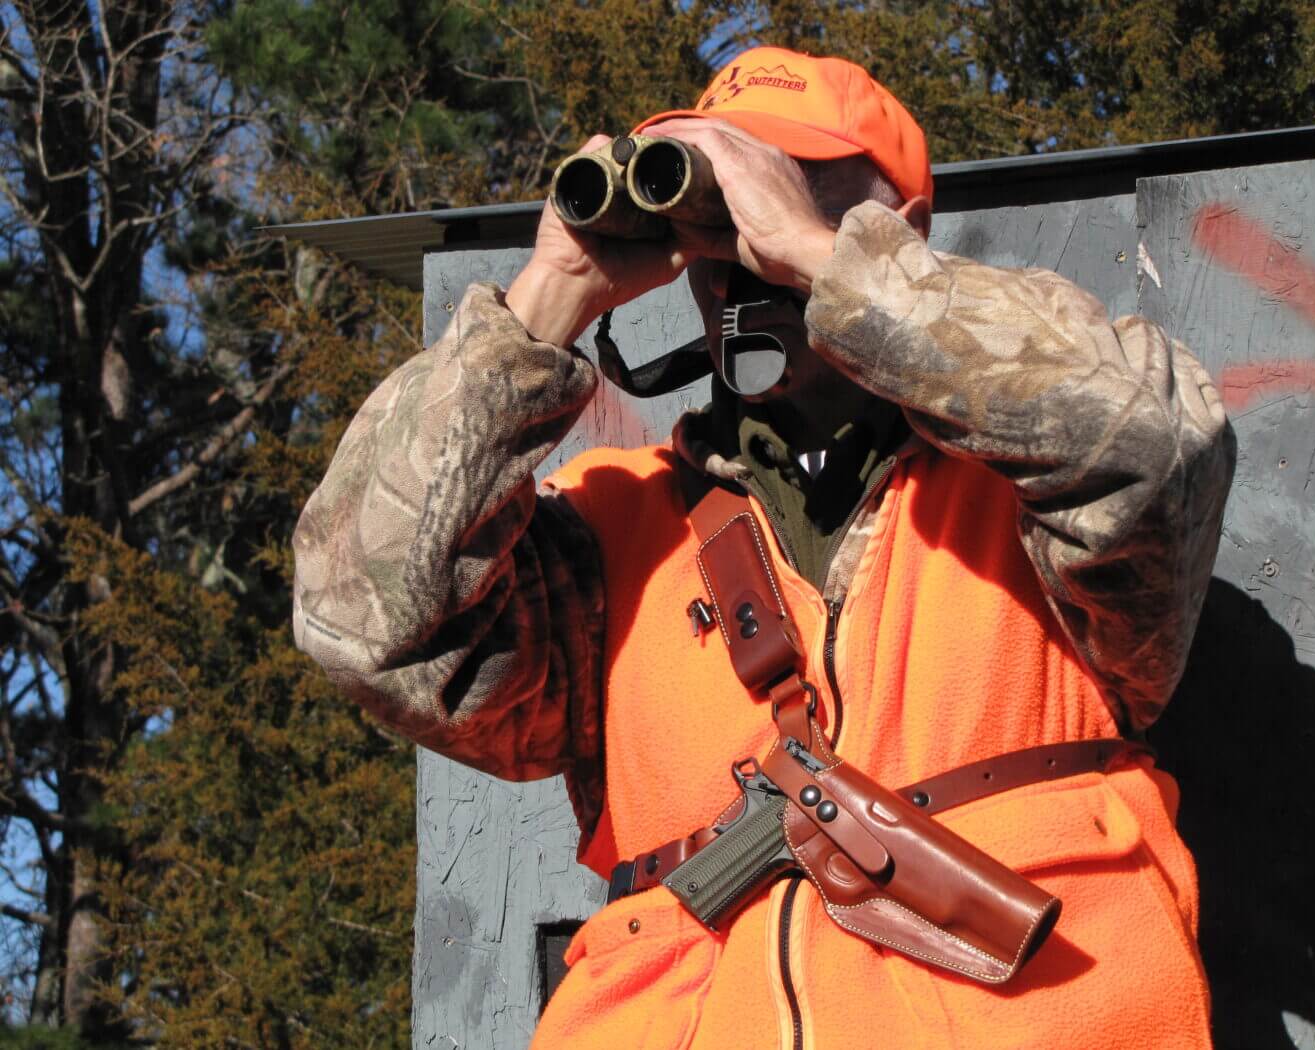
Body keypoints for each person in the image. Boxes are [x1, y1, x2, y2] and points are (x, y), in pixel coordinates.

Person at [292, 45, 1234, 1050]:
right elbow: (359, 623)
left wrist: (827, 262)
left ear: (901, 227)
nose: (741, 234)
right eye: (716, 198)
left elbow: (1153, 441)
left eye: (799, 180)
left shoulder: (1031, 496)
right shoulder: (613, 533)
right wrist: (548, 300)